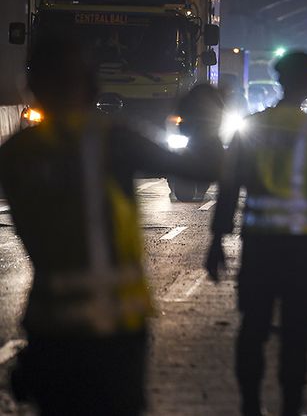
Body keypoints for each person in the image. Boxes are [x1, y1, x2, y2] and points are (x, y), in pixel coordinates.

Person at [0, 36, 222, 415]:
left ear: (32, 86)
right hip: (118, 330)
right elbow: (203, 168)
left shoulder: (15, 153)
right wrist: (204, 118)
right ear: (91, 84)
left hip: (49, 329)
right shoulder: (113, 140)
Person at [206, 50, 307, 416]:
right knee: (296, 331)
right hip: (301, 248)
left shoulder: (252, 126)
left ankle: (251, 405)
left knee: (253, 326)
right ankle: (290, 406)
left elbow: (229, 185)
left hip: (259, 246)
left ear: (280, 82)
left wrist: (217, 240)